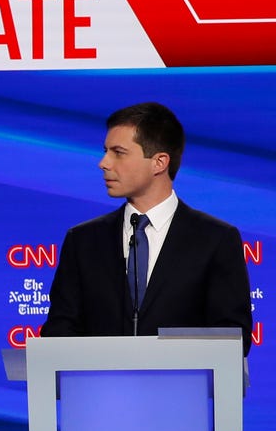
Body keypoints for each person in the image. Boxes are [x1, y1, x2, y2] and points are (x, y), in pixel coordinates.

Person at [41, 101, 252, 355]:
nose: (103, 163)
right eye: (105, 151)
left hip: (181, 391)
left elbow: (232, 338)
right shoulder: (83, 240)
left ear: (159, 162)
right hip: (98, 392)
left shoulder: (215, 239)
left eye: (118, 152)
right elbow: (58, 332)